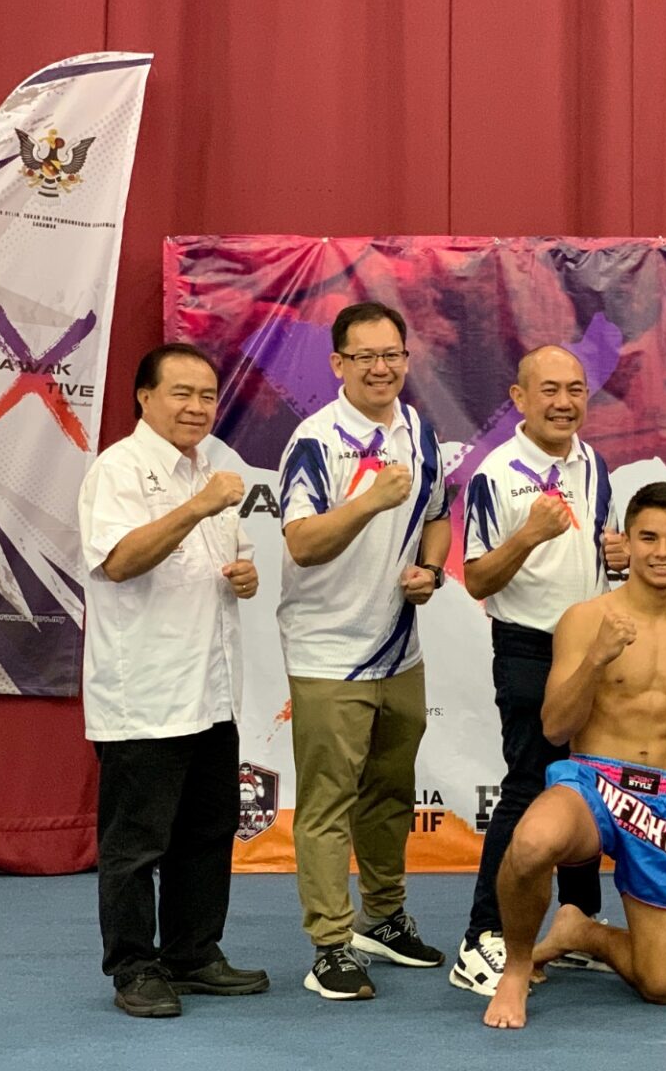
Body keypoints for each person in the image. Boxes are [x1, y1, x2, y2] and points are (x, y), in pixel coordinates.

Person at [482, 483, 666, 1029]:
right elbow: (555, 726)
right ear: (627, 542)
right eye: (648, 538)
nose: (661, 552)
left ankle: (581, 931)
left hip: (663, 801)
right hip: (591, 783)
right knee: (532, 843)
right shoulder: (584, 618)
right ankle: (517, 969)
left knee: (663, 986)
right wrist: (596, 659)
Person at [78, 343, 269, 1017]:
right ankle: (133, 966)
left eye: (207, 395)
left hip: (211, 690)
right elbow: (120, 561)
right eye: (181, 393)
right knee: (136, 844)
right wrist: (196, 508)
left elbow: (232, 562)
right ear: (144, 397)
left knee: (207, 832)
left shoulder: (212, 469)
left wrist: (245, 576)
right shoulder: (119, 469)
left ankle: (192, 953)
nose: (197, 407)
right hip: (145, 693)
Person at [276, 301, 452, 1000]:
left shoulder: (420, 431)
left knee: (389, 795)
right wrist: (371, 501)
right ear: (338, 364)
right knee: (327, 805)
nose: (381, 368)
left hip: (400, 652)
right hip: (327, 654)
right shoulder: (315, 440)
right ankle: (329, 945)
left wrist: (431, 570)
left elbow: (438, 516)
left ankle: (383, 917)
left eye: (392, 355)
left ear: (407, 359)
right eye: (365, 356)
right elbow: (301, 543)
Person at [451, 345, 628, 995]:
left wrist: (617, 556)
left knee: (587, 783)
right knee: (529, 785)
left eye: (575, 389)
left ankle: (578, 921)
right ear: (519, 398)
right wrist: (527, 535)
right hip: (528, 647)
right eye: (549, 389)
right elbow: (476, 578)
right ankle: (482, 938)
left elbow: (599, 560)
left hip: (590, 646)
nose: (563, 402)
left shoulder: (594, 464)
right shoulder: (496, 474)